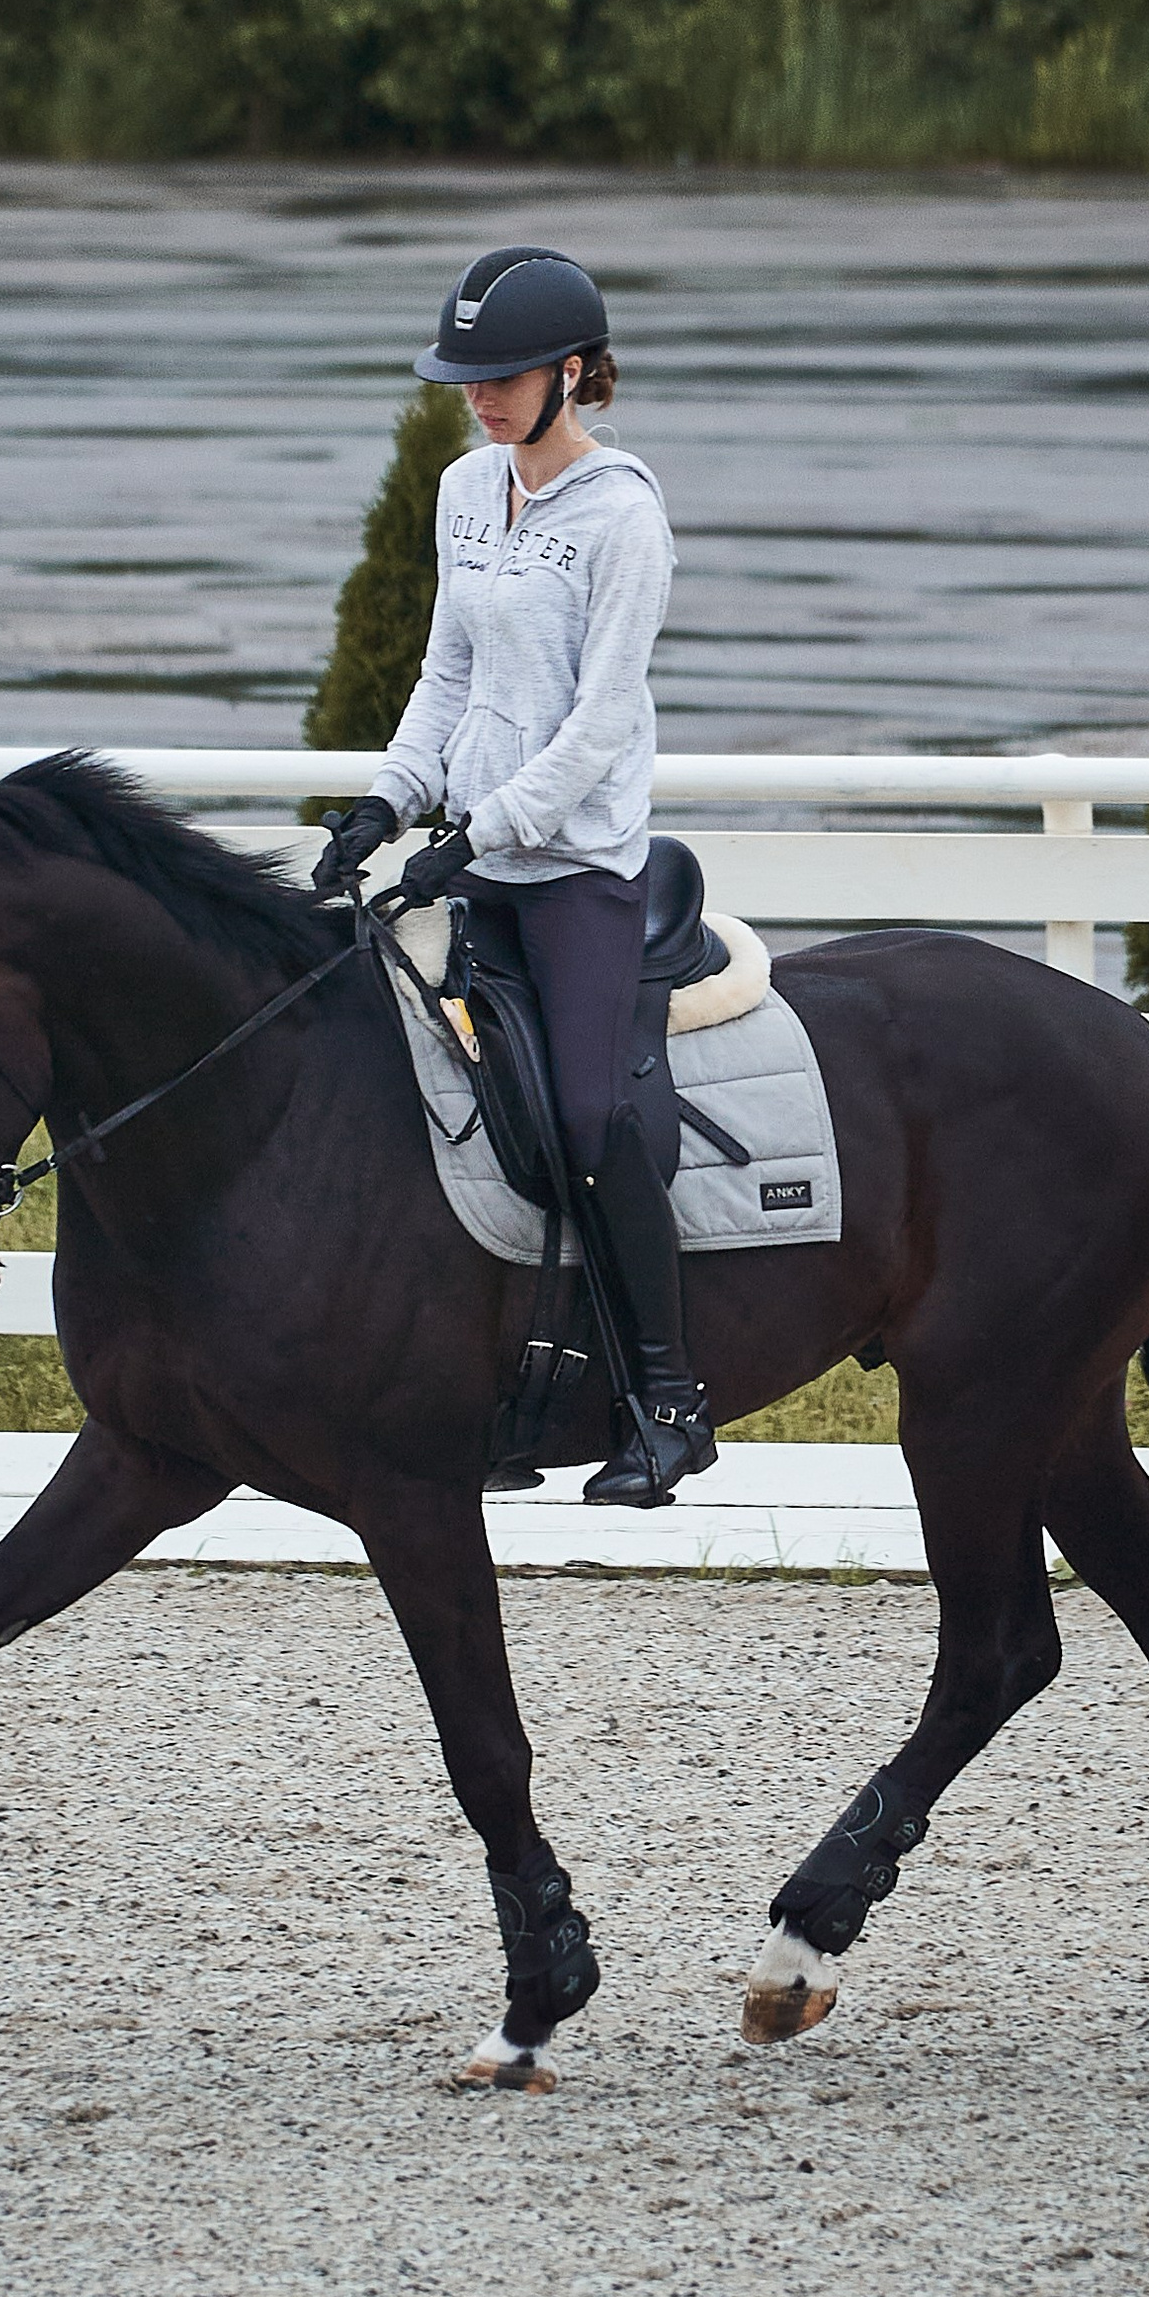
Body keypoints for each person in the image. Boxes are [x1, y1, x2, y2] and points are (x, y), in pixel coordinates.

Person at [311, 247, 716, 1508]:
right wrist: (386, 798)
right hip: (477, 847)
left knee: (585, 1124)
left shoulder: (624, 516)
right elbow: (448, 681)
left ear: (573, 372)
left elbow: (600, 723)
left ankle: (667, 1401)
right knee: (451, 1113)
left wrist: (478, 830)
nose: (479, 398)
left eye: (501, 378)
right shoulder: (464, 489)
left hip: (578, 870)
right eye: (465, 378)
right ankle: (508, 1385)